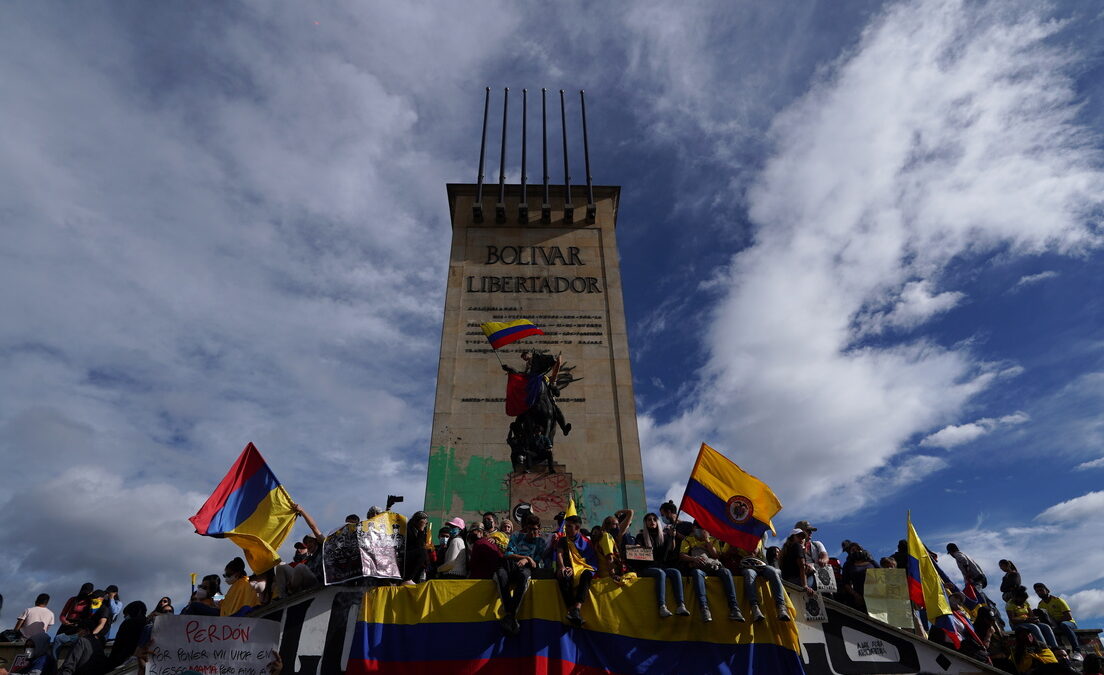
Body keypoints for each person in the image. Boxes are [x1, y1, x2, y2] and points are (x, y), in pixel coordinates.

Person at [679, 522, 743, 622]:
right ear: (694, 528)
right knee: (697, 573)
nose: (702, 530)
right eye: (699, 528)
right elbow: (682, 555)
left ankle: (734, 608)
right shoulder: (688, 540)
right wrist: (693, 558)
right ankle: (704, 608)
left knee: (726, 572)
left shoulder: (713, 540)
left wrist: (707, 540)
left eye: (705, 528)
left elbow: (716, 555)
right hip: (699, 567)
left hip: (714, 567)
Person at [497, 515, 547, 634]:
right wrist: (526, 557)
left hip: (526, 569)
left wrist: (527, 561)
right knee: (500, 574)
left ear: (539, 529)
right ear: (525, 529)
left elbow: (536, 563)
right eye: (529, 529)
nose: (532, 532)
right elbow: (508, 554)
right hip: (511, 565)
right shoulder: (517, 536)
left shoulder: (541, 542)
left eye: (535, 529)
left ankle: (510, 615)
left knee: (524, 576)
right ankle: (510, 613)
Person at [635, 512, 688, 618]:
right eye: (649, 520)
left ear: (657, 522)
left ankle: (681, 605)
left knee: (675, 572)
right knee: (660, 573)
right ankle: (662, 607)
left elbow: (670, 549)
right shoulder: (640, 536)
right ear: (645, 523)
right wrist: (637, 548)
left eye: (654, 519)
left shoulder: (664, 536)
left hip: (662, 566)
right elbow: (636, 552)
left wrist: (672, 537)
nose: (652, 522)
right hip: (646, 568)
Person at [726, 542, 791, 622]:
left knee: (773, 572)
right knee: (749, 574)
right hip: (746, 565)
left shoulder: (756, 537)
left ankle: (781, 607)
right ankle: (755, 608)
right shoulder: (738, 537)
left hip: (760, 564)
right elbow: (730, 552)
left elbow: (755, 552)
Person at [554, 515, 598, 628]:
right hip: (567, 567)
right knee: (563, 576)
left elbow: (588, 561)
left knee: (587, 575)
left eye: (569, 526)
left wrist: (575, 569)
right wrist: (562, 567)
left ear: (577, 527)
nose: (566, 529)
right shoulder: (563, 540)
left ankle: (577, 608)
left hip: (582, 567)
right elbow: (559, 554)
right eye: (565, 526)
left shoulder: (586, 542)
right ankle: (571, 610)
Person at [1007, 586, 1061, 651]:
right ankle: (1045, 649)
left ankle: (1055, 648)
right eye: (1021, 600)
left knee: (1046, 627)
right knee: (1034, 627)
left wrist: (1035, 619)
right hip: (1018, 625)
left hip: (1029, 622)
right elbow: (1013, 620)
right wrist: (1026, 620)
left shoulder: (1025, 602)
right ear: (1015, 598)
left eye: (1024, 600)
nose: (1023, 602)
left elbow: (1031, 615)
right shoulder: (1010, 604)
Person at [1034, 583, 1081, 654]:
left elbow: (1068, 617)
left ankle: (1077, 650)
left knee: (1063, 625)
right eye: (1037, 591)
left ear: (1047, 590)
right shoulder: (1040, 605)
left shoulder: (1058, 600)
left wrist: (1055, 622)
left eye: (1041, 590)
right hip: (1054, 626)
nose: (1039, 592)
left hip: (1069, 623)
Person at [52, 583, 93, 659]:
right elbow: (63, 614)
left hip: (79, 625)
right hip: (67, 624)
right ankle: (54, 660)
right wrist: (64, 621)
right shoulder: (73, 599)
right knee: (57, 640)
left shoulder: (90, 602)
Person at [106, 601, 146, 670]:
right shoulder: (148, 624)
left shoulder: (128, 623)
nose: (125, 617)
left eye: (126, 614)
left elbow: (119, 643)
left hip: (120, 659)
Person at [795, 521, 829, 588]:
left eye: (811, 531)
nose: (811, 533)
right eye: (808, 531)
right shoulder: (793, 547)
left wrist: (822, 560)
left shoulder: (817, 544)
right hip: (803, 576)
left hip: (820, 577)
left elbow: (825, 556)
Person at [403, 511, 432, 585]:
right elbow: (418, 546)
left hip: (419, 565)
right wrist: (421, 529)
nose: (425, 524)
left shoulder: (424, 533)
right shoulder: (408, 530)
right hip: (407, 557)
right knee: (422, 552)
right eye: (423, 521)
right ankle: (408, 578)